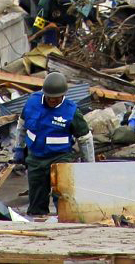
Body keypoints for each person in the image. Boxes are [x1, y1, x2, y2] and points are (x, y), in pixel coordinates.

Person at [12, 72, 94, 216]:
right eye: (50, 98)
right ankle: (37, 221)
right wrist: (19, 147)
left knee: (63, 198)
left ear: (63, 95)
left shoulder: (71, 111)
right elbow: (21, 125)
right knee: (36, 200)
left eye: (56, 98)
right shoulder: (32, 103)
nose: (52, 101)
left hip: (60, 158)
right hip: (36, 158)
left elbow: (85, 139)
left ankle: (66, 220)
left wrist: (89, 167)